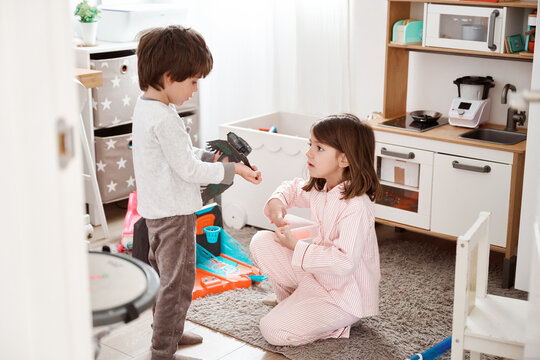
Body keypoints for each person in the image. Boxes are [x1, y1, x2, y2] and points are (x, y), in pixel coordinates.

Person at [132, 25, 262, 360]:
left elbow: (180, 156)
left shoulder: (148, 108)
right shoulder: (163, 118)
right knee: (177, 284)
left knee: (165, 278)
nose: (195, 89)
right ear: (168, 76)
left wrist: (207, 158)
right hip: (174, 215)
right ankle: (163, 348)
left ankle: (168, 331)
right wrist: (234, 169)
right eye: (192, 81)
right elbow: (188, 171)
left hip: (156, 211)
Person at [249, 113, 382, 346]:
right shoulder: (322, 186)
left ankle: (336, 322)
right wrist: (277, 202)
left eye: (319, 148)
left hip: (343, 295)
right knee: (261, 240)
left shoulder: (356, 207)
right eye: (310, 145)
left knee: (273, 330)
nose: (309, 153)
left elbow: (344, 263)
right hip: (316, 277)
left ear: (344, 159)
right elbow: (292, 188)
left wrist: (296, 246)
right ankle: (298, 303)